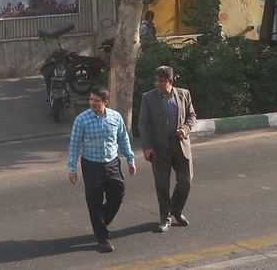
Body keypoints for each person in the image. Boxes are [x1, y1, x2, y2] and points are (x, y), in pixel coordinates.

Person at [68, 86, 136, 253]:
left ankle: (100, 222)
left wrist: (130, 159)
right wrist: (72, 168)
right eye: (90, 99)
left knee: (118, 194)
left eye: (96, 100)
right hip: (91, 165)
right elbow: (74, 145)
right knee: (94, 201)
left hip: (112, 163)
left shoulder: (115, 117)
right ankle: (102, 238)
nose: (92, 103)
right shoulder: (81, 120)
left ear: (105, 102)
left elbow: (123, 138)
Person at [139, 66, 196, 232]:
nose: (158, 84)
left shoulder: (184, 94)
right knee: (162, 185)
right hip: (159, 149)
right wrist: (147, 147)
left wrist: (184, 129)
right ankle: (165, 218)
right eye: (156, 80)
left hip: (181, 146)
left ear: (170, 81)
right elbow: (143, 123)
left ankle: (176, 209)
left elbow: (192, 116)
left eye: (161, 81)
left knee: (186, 181)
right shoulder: (148, 97)